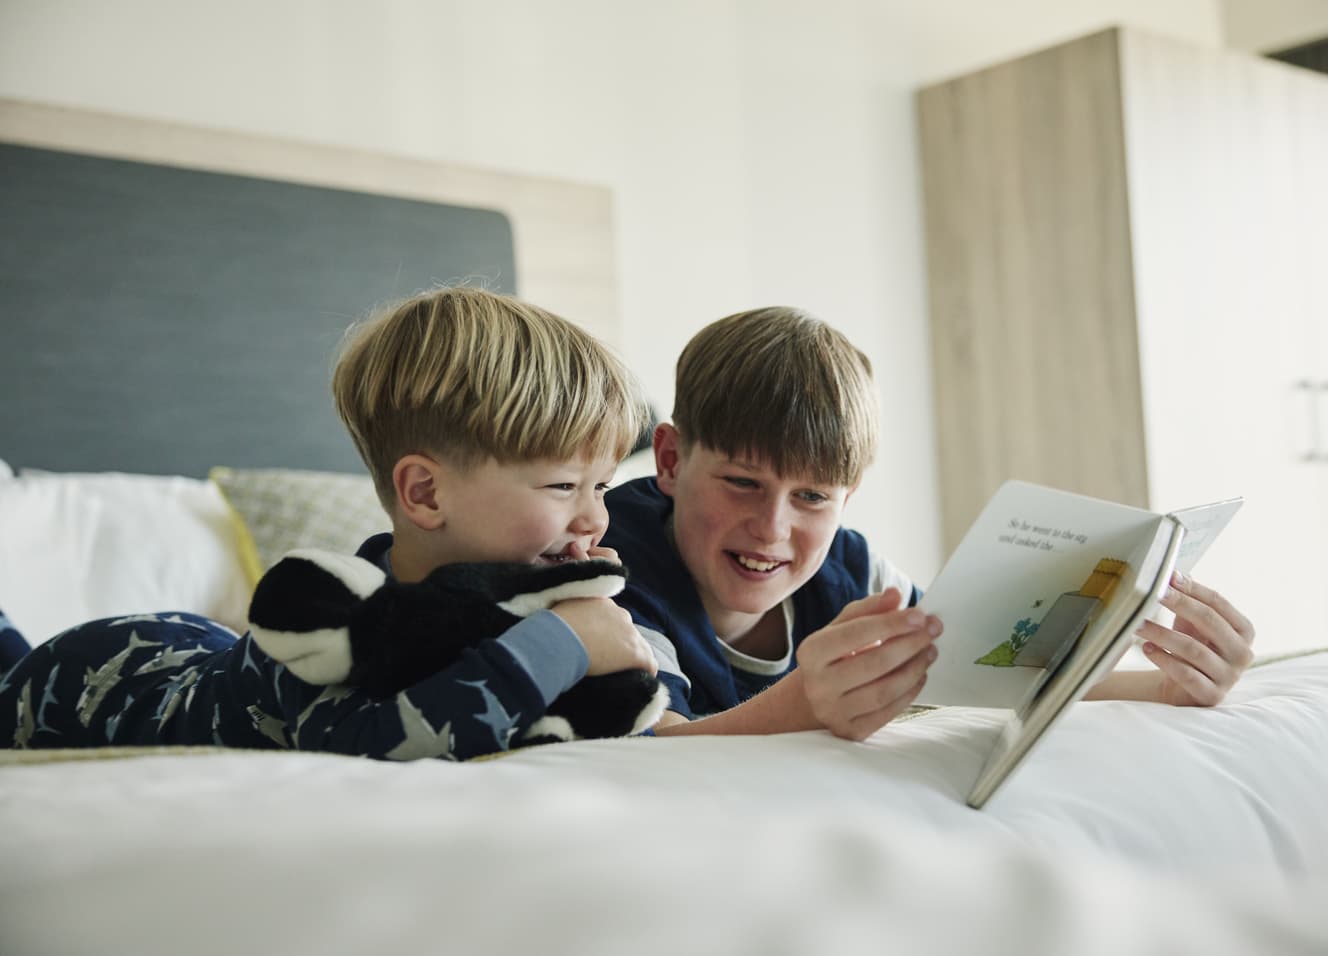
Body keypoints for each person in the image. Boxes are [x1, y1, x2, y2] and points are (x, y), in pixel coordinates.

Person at [0, 286, 660, 759]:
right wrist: (563, 644)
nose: (595, 517)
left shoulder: (520, 604)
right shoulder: (329, 621)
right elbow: (376, 741)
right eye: (564, 486)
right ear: (425, 493)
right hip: (95, 677)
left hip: (197, 639)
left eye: (601, 485)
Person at [602, 306, 1257, 740]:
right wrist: (802, 708)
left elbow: (978, 675)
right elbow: (656, 745)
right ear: (670, 459)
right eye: (743, 483)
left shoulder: (850, 571)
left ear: (848, 496)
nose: (772, 527)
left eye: (812, 497)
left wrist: (1167, 688)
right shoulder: (609, 571)